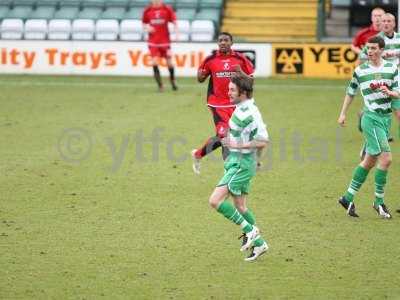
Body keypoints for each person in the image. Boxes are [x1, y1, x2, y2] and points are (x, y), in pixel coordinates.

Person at [337, 35, 400, 219]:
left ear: (381, 49)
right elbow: (350, 92)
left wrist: (390, 93)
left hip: (385, 119)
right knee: (386, 159)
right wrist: (342, 113)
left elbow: (398, 92)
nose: (370, 51)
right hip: (370, 119)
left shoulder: (392, 68)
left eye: (373, 48)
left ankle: (347, 197)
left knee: (370, 161)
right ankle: (378, 202)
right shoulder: (360, 70)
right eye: (368, 48)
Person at [208, 73, 268, 261]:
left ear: (243, 92)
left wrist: (236, 146)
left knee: (215, 201)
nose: (228, 92)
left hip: (241, 163)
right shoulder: (243, 106)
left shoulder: (250, 112)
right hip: (238, 161)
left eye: (232, 89)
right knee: (240, 206)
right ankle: (260, 245)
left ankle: (250, 231)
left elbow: (263, 140)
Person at [191, 32, 254, 174]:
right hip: (217, 104)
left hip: (236, 104)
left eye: (226, 40)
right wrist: (200, 74)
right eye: (220, 40)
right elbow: (200, 78)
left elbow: (250, 81)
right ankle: (229, 169)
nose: (223, 42)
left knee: (226, 136)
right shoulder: (210, 60)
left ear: (231, 43)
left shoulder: (240, 59)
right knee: (225, 136)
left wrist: (240, 72)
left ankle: (198, 155)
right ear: (217, 43)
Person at [142, 0, 178, 92]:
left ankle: (172, 80)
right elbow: (143, 24)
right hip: (153, 42)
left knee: (169, 63)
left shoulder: (167, 9)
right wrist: (147, 28)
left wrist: (176, 32)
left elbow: (174, 21)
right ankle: (160, 86)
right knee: (154, 63)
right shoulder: (147, 10)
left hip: (165, 41)